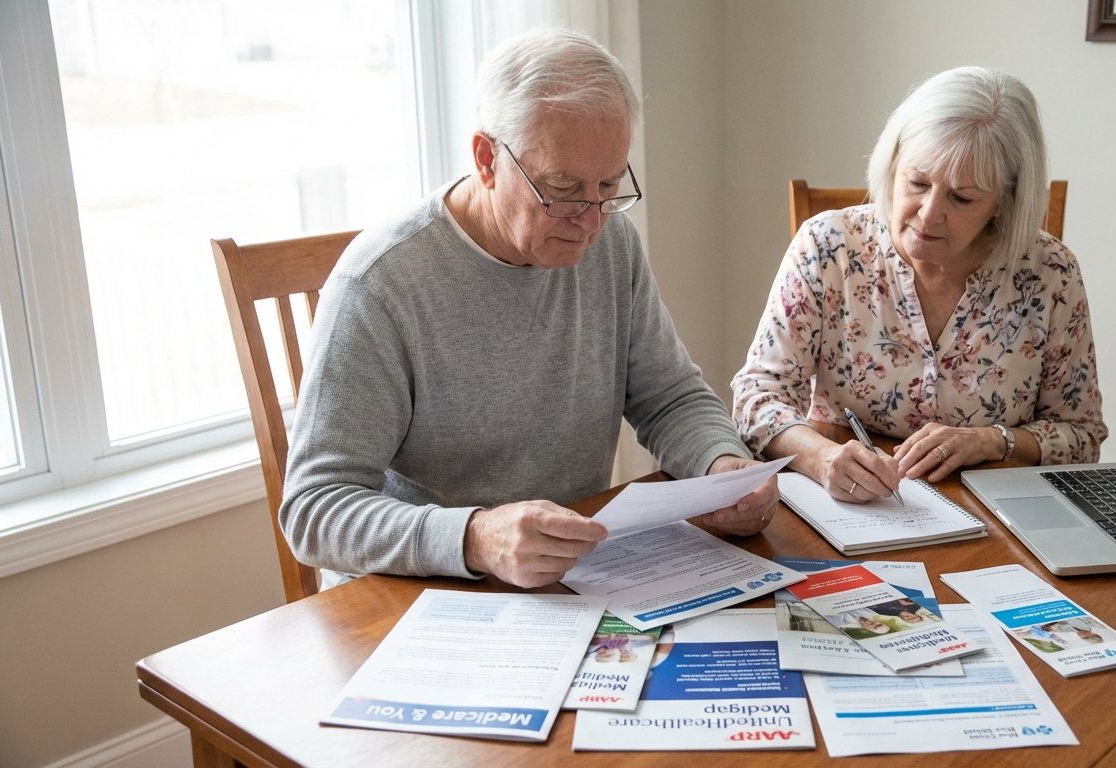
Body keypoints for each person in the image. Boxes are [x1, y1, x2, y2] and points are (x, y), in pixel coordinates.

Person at [280, 27, 778, 590]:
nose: (591, 221)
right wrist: (475, 537)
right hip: (422, 596)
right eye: (563, 189)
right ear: (486, 158)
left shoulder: (609, 243)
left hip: (569, 578)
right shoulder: (380, 284)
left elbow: (669, 396)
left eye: (608, 186)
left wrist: (723, 467)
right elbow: (313, 510)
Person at [731, 66, 1107, 503]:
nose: (928, 214)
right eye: (917, 182)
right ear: (893, 165)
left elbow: (1082, 436)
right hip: (852, 506)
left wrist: (994, 440)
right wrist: (820, 456)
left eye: (962, 198)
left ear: (1004, 203)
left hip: (992, 520)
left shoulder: (1050, 273)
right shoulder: (829, 246)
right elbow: (757, 396)